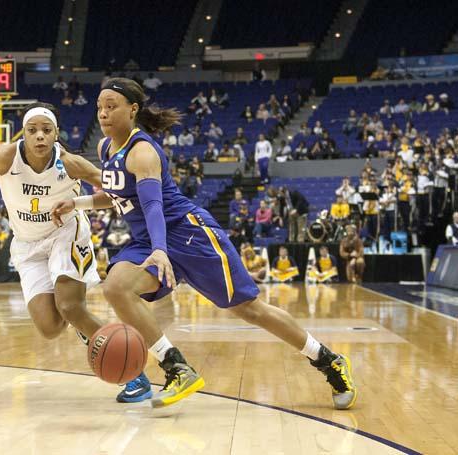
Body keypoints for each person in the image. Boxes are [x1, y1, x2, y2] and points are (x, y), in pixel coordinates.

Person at [51, 78, 356, 410]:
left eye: (112, 106)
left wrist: (160, 249)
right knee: (116, 287)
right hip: (147, 240)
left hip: (188, 234)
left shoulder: (142, 151)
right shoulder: (105, 149)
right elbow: (116, 196)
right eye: (99, 107)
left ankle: (327, 360)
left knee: (249, 310)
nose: (103, 114)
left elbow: (153, 206)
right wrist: (78, 204)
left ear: (133, 110)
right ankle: (176, 367)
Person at [0, 102, 150, 401]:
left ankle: (133, 372)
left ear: (56, 134)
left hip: (65, 233)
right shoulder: (4, 157)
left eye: (46, 130)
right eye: (32, 130)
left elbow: (114, 193)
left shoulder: (70, 163)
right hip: (27, 245)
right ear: (23, 135)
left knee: (69, 307)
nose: (39, 136)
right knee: (50, 327)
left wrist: (80, 204)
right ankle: (86, 324)